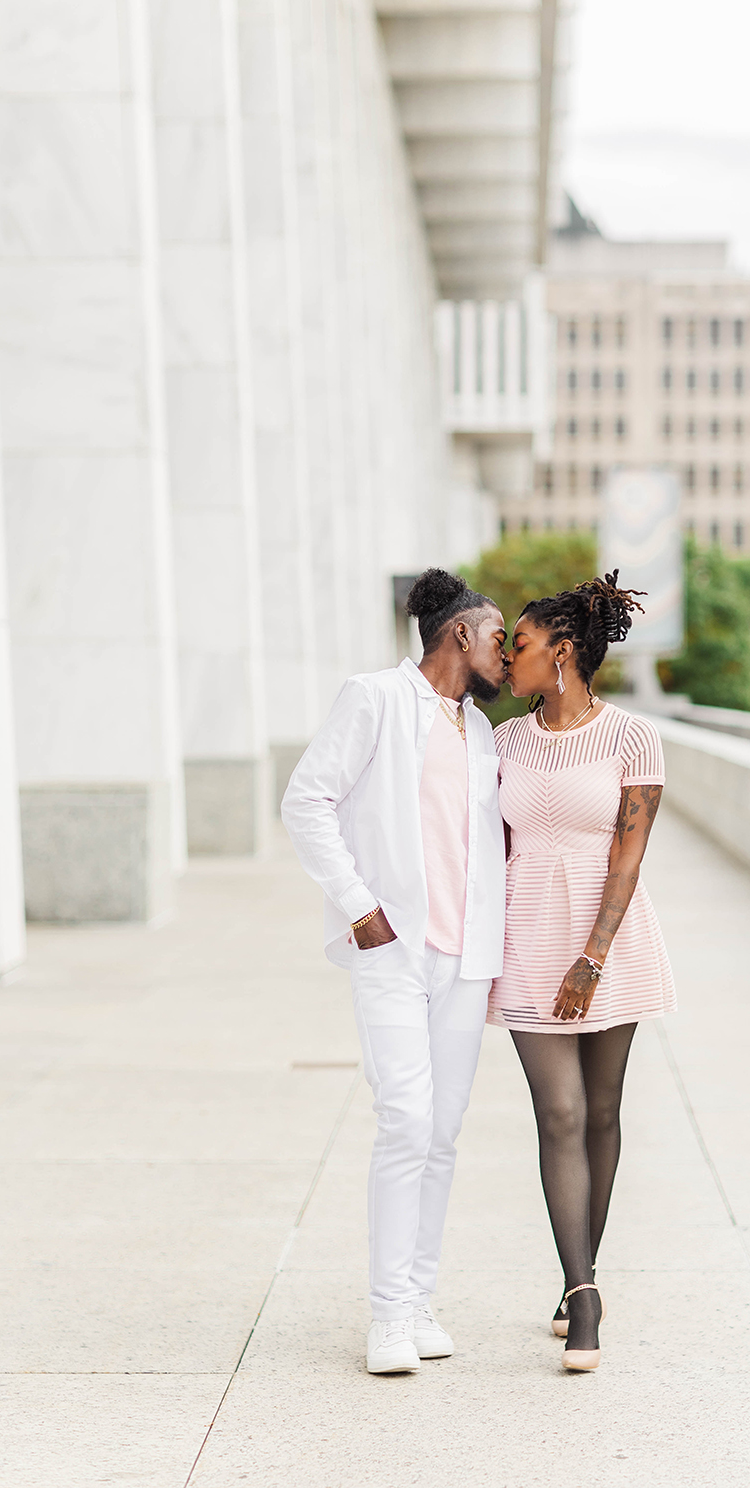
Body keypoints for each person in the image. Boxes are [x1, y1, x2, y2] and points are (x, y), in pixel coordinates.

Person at [282, 569, 509, 1375]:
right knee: (405, 1120)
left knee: (442, 1134)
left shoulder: (479, 732)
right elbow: (305, 800)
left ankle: (417, 1300)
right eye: (497, 638)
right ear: (459, 635)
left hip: (465, 959)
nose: (506, 654)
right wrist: (359, 906)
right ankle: (385, 1317)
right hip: (393, 951)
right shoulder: (374, 698)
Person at [488, 572, 673, 1373]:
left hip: (610, 938)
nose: (507, 656)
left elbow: (627, 857)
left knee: (602, 1113)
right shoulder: (499, 742)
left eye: (519, 645)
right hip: (526, 938)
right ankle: (585, 1289)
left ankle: (573, 1279)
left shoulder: (632, 739)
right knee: (558, 1114)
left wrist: (593, 956)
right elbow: (483, 852)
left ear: (563, 653)